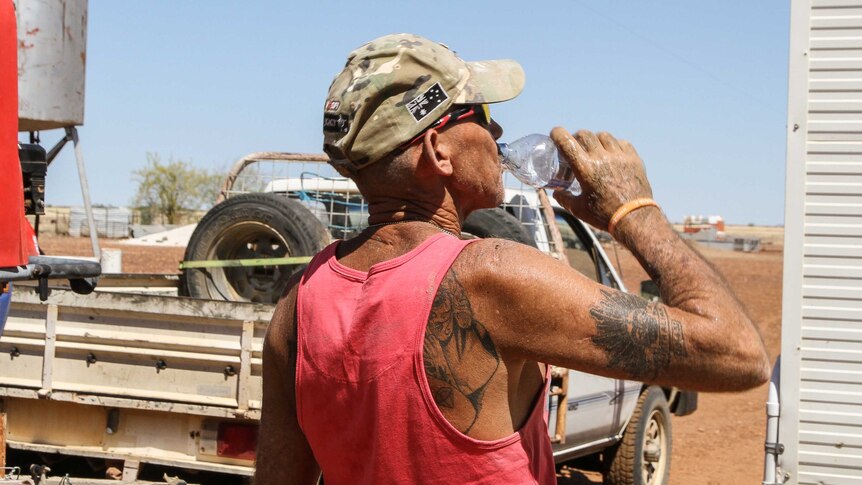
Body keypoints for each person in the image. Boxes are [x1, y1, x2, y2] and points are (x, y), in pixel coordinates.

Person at [255, 33, 770, 484]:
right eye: (480, 115)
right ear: (439, 151)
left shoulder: (298, 305)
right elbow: (738, 354)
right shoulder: (489, 275)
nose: (499, 133)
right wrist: (633, 210)